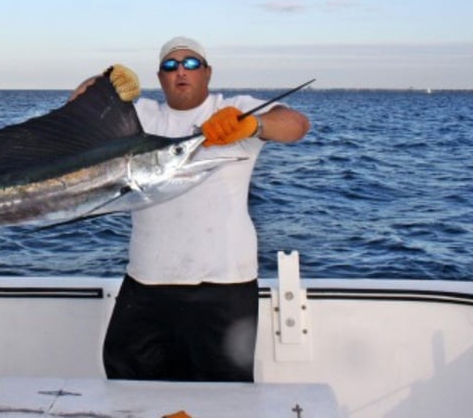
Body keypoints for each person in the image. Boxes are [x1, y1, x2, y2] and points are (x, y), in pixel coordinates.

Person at [77, 36, 310, 382]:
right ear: (160, 78)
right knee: (127, 385)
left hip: (224, 285)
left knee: (222, 398)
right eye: (170, 65)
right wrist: (104, 81)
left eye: (191, 63)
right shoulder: (140, 116)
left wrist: (252, 125)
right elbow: (79, 111)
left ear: (208, 72)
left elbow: (297, 125)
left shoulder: (234, 108)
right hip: (146, 280)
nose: (181, 71)